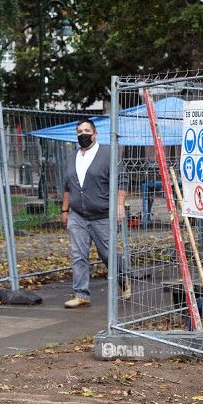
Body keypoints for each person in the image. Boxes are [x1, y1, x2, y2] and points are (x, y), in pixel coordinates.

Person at [61, 119, 129, 308]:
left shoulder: (108, 154)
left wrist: (120, 204)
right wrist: (64, 210)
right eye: (79, 131)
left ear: (95, 134)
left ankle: (123, 279)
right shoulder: (72, 156)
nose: (83, 134)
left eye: (87, 130)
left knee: (108, 254)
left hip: (102, 215)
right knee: (78, 255)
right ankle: (81, 294)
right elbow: (67, 186)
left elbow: (123, 179)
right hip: (78, 216)